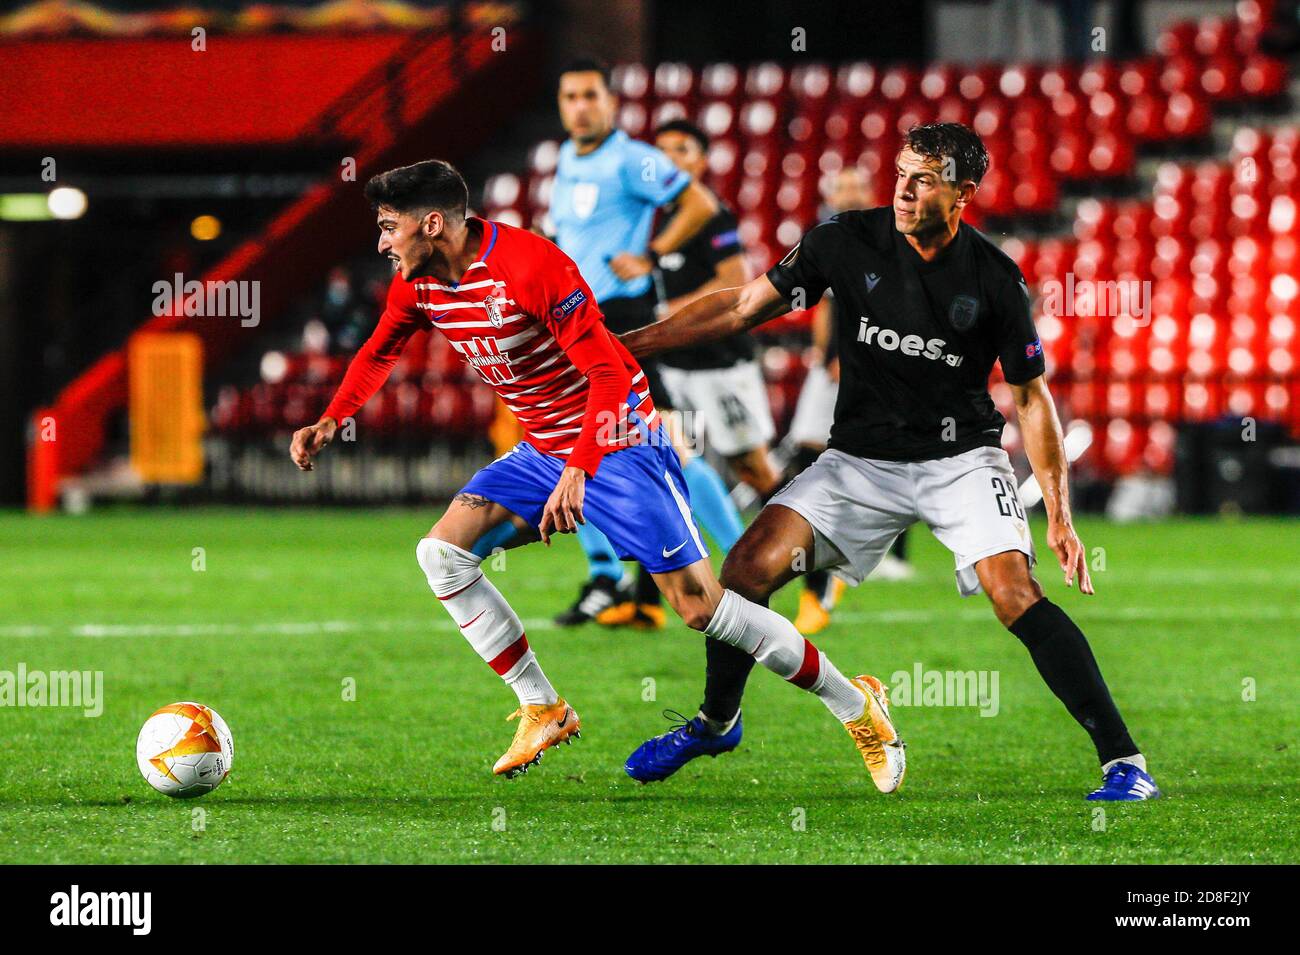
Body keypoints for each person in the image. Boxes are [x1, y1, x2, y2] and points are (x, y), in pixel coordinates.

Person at [289, 159, 905, 790]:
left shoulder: (533, 267)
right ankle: (543, 707)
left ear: (435, 223)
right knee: (441, 555)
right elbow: (379, 350)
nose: (383, 243)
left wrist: (579, 470)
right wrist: (334, 418)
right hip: (541, 449)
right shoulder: (418, 283)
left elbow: (610, 373)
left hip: (618, 438)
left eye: (391, 227)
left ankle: (855, 703)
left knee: (699, 608)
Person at [620, 124, 1159, 802]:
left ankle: (1125, 762)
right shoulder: (842, 241)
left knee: (1014, 592)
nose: (903, 188)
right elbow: (739, 306)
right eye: (901, 172)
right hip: (859, 462)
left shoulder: (994, 279)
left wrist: (1059, 511)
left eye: (924, 177)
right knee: (746, 569)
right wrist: (627, 345)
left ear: (964, 193)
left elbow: (1030, 396)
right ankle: (715, 721)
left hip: (961, 458)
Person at [543, 56, 743, 628]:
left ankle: (741, 558)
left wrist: (650, 256)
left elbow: (700, 202)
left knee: (661, 444)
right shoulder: (565, 158)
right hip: (572, 321)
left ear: (611, 102)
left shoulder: (632, 159)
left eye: (589, 96)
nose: (579, 107)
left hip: (618, 320)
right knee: (579, 444)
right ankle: (610, 579)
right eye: (569, 97)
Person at [597, 118, 774, 629]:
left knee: (754, 471)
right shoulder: (654, 219)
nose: (670, 160)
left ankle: (806, 569)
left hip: (722, 363)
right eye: (663, 151)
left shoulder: (712, 217)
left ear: (701, 162)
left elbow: (736, 282)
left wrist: (668, 312)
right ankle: (648, 599)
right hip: (674, 366)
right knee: (665, 460)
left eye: (682, 150)